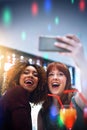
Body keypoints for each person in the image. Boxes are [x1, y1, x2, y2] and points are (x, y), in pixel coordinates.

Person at [37, 34, 87, 130]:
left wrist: (81, 61)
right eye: (51, 74)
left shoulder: (76, 101)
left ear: (67, 80)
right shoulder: (43, 113)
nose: (55, 77)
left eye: (60, 74)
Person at [0, 60, 47, 130]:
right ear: (17, 77)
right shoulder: (18, 92)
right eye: (26, 73)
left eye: (35, 75)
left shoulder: (17, 95)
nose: (30, 76)